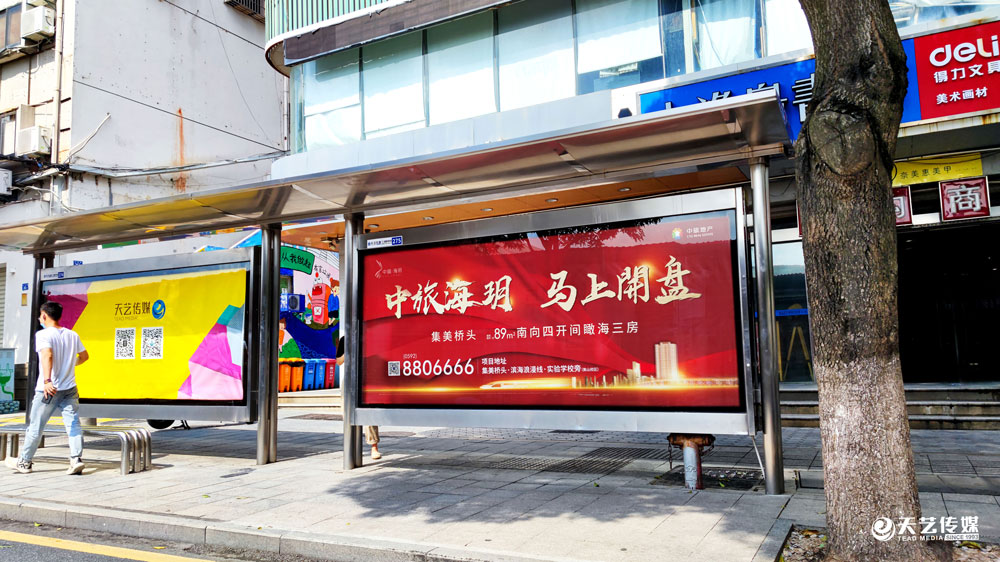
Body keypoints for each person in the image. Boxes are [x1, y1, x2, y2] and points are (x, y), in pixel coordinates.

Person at [6, 301, 89, 475]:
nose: (39, 318)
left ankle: (25, 462)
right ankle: (76, 459)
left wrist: (47, 380)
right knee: (73, 423)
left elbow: (47, 355)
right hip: (70, 388)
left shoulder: (43, 334)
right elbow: (84, 356)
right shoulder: (72, 334)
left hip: (49, 389)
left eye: (40, 315)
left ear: (44, 315)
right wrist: (69, 364)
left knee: (36, 425)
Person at [336, 336, 381, 460]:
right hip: (349, 377)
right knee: (346, 412)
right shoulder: (345, 339)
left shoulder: (368, 336)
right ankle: (350, 446)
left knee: (368, 412)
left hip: (366, 375)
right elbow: (339, 361)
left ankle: (374, 446)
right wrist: (349, 352)